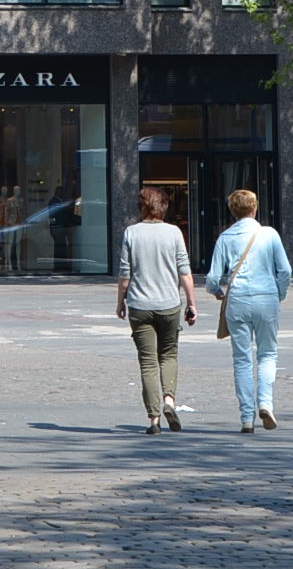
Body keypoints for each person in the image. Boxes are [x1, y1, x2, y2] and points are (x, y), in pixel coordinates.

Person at [206, 188, 293, 432]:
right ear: (255, 208)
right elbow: (285, 270)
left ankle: (246, 417)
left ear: (232, 211)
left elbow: (213, 277)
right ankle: (265, 403)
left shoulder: (225, 237)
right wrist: (280, 293)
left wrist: (217, 290)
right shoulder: (269, 234)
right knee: (267, 354)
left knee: (242, 359)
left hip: (238, 300)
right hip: (267, 297)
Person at [116, 186, 198, 434]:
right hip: (169, 305)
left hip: (140, 306)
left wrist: (121, 301)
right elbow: (184, 271)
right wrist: (192, 303)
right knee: (169, 354)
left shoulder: (131, 233)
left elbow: (124, 274)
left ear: (142, 206)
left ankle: (153, 419)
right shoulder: (174, 233)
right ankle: (169, 401)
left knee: (148, 362)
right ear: (164, 207)